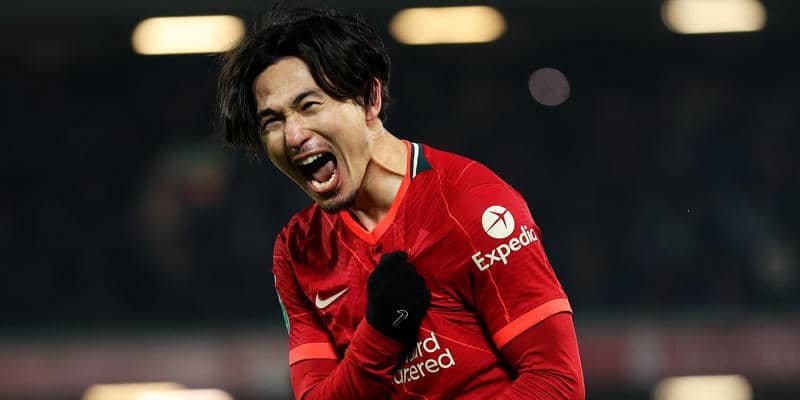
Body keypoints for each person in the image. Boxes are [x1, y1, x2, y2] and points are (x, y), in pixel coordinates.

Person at [217, 7, 584, 400]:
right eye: (272, 122)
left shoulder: (470, 201)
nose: (292, 136)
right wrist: (379, 336)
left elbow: (557, 383)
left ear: (369, 99)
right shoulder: (297, 251)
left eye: (310, 106)